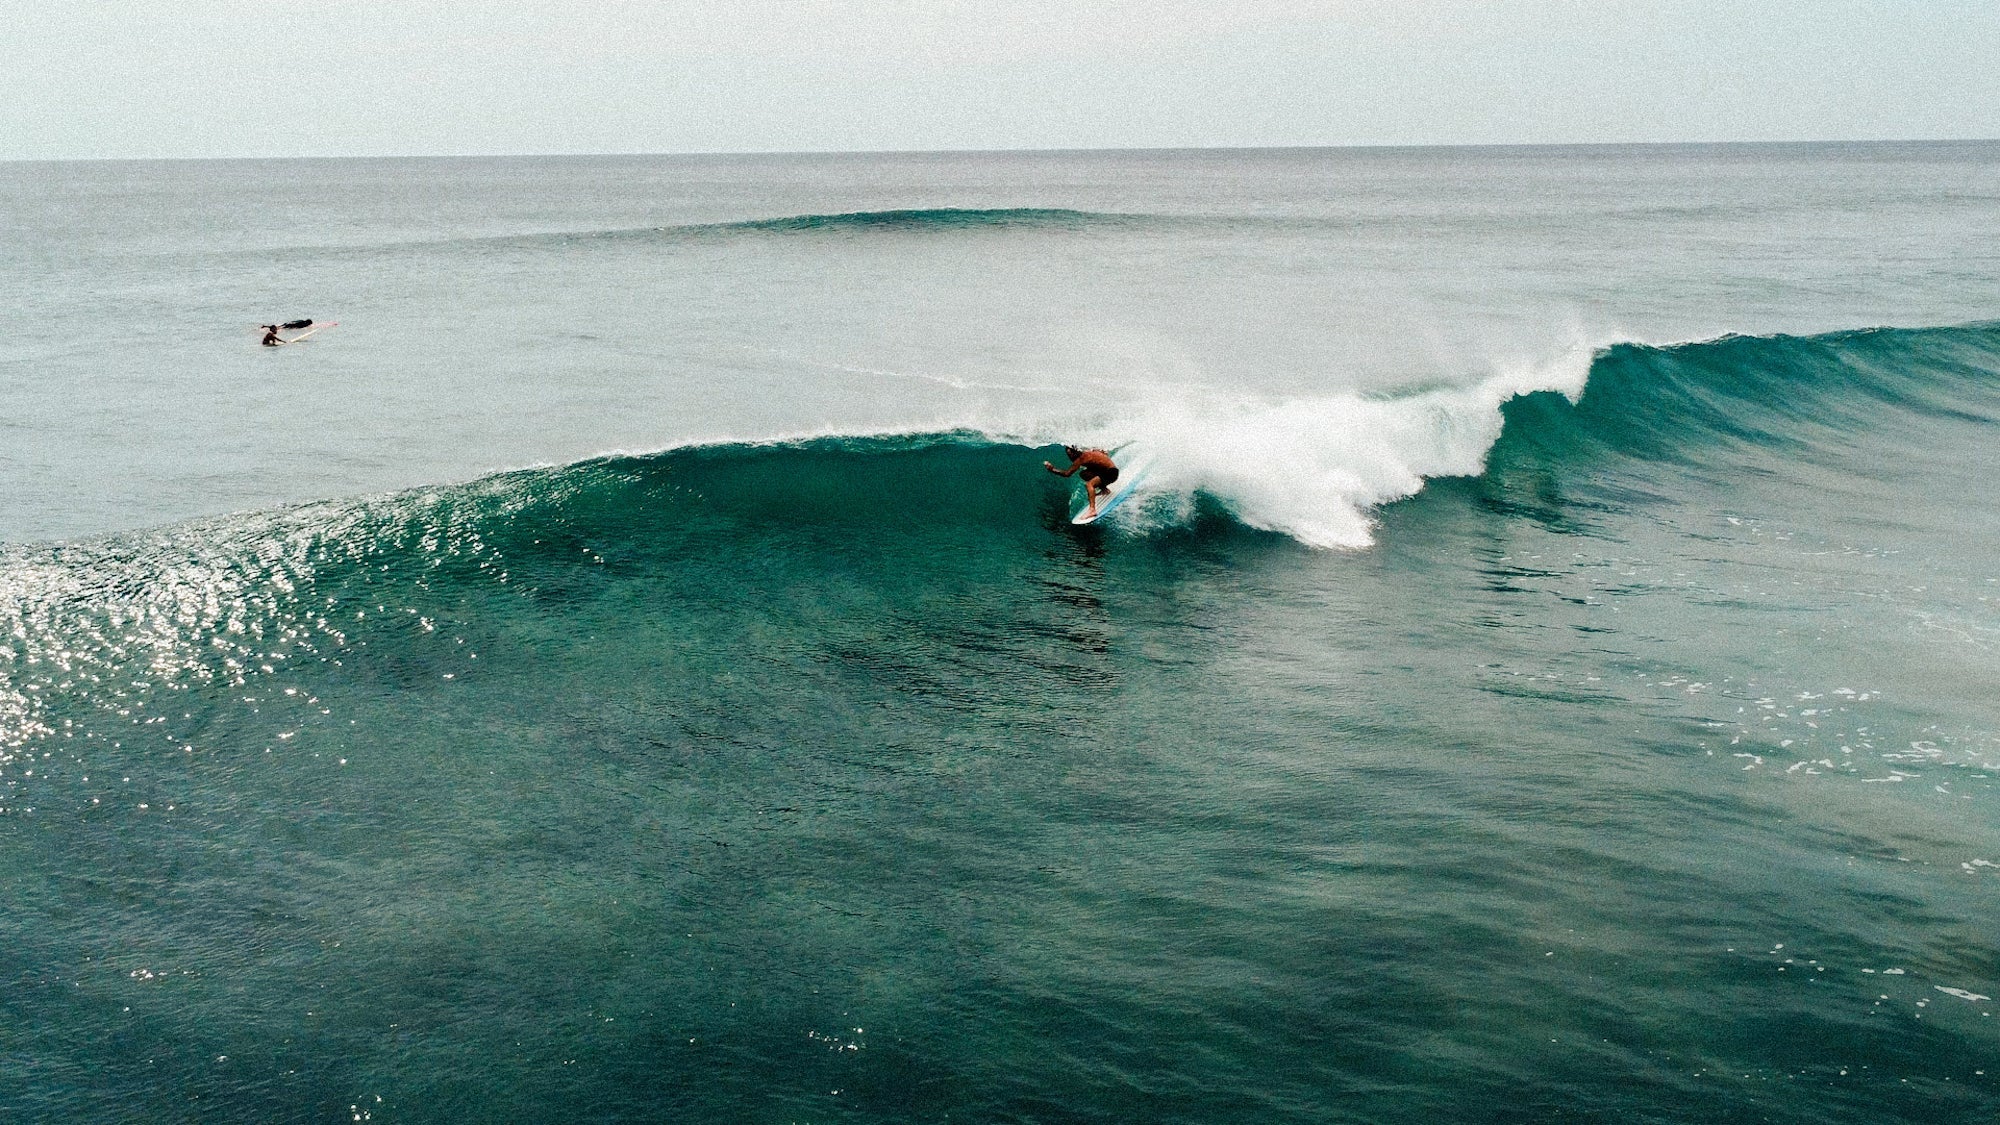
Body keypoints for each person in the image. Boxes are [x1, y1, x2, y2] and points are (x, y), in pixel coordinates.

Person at [1044, 445, 1119, 517]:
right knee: (1084, 474)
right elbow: (1104, 454)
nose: (1070, 457)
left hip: (1110, 473)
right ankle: (1104, 490)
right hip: (1112, 472)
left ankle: (1092, 510)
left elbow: (1067, 474)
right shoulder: (1090, 452)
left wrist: (1052, 469)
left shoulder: (1081, 458)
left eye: (1070, 455)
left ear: (1075, 453)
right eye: (1068, 455)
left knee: (1089, 485)